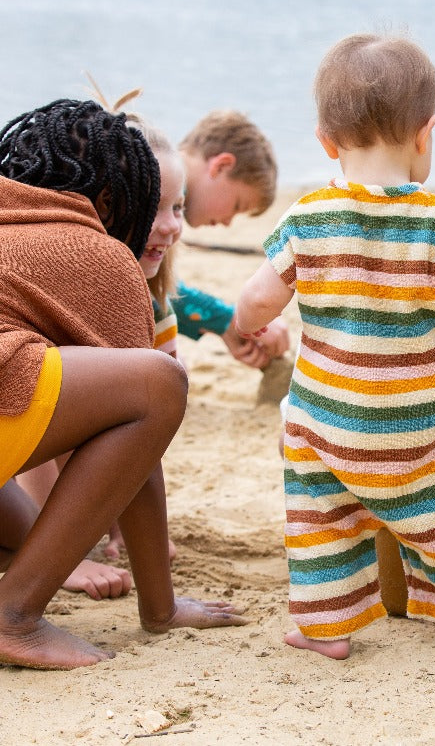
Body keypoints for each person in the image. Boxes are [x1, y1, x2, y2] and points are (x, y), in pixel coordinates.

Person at [235, 33, 435, 659]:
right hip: (421, 425)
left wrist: (249, 319)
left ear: (326, 142)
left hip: (326, 425)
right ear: (426, 134)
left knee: (322, 527)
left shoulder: (306, 218)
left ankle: (327, 629)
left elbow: (255, 305)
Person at [0, 99, 247, 671]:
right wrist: (160, 608)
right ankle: (12, 615)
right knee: (157, 383)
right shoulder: (97, 255)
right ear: (112, 198)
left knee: (30, 533)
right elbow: (143, 444)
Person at [175, 110, 289, 369]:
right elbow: (148, 292)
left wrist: (226, 324)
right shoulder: (158, 188)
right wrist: (227, 319)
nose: (227, 223)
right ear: (221, 166)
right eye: (237, 205)